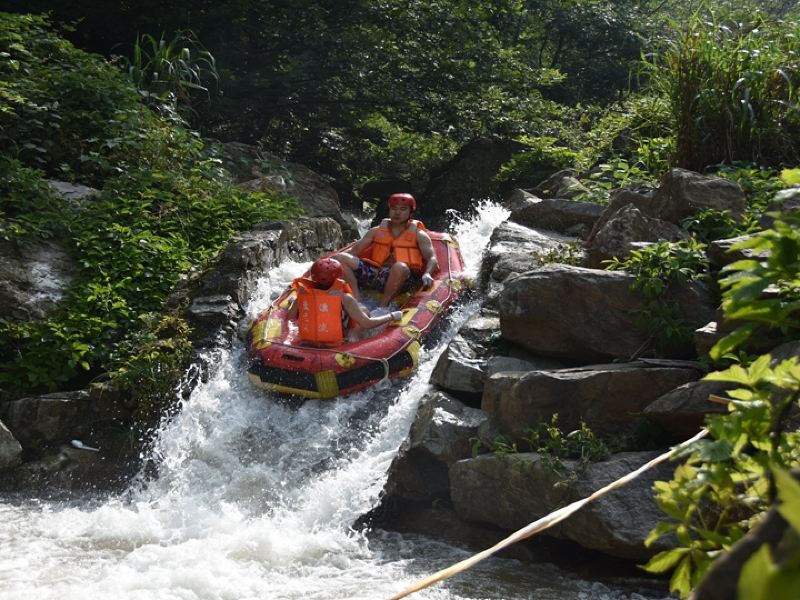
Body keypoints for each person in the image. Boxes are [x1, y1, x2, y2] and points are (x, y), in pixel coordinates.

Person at [333, 193, 438, 309]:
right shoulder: (376, 231)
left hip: (403, 279)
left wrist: (427, 273)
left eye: (403, 209)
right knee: (340, 258)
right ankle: (356, 300)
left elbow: (432, 258)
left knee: (400, 266)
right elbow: (354, 250)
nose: (397, 213)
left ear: (410, 212)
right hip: (376, 274)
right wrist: (332, 262)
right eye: (394, 209)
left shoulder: (419, 235)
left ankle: (382, 307)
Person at [287, 257, 403, 345]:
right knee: (363, 311)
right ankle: (353, 340)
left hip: (307, 340)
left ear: (313, 276)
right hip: (336, 344)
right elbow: (367, 323)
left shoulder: (302, 295)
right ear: (339, 277)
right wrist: (391, 316)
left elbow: (289, 319)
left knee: (360, 310)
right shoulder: (345, 298)